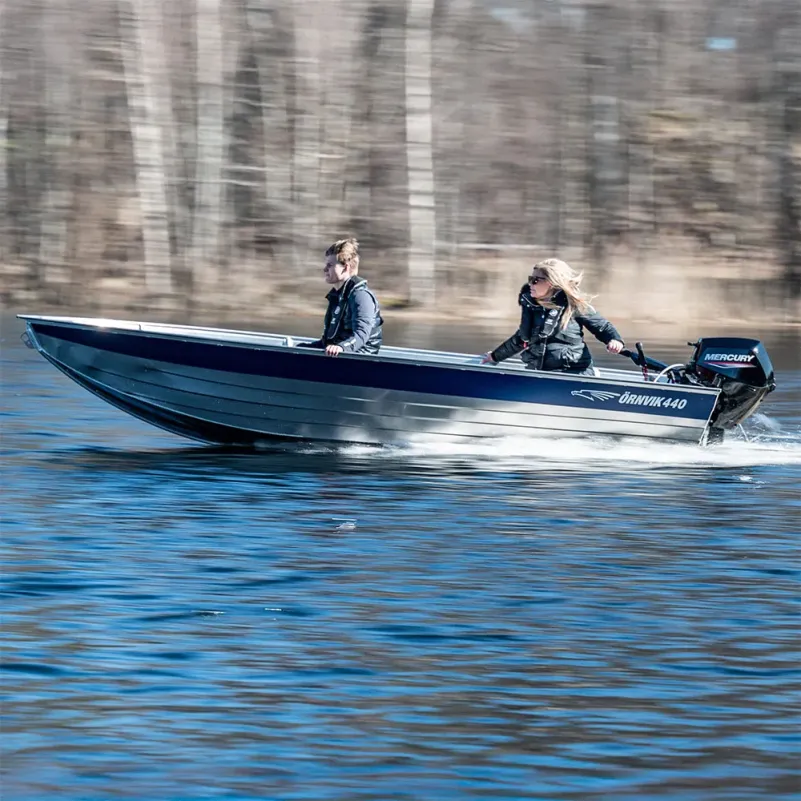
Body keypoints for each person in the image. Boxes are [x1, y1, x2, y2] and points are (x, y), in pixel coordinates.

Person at [480, 258, 624, 374]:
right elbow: (521, 340)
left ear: (551, 283)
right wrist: (495, 356)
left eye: (535, 280)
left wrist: (614, 340)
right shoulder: (532, 307)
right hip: (541, 373)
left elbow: (602, 327)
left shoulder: (574, 305)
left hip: (573, 373)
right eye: (530, 279)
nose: (530, 284)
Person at [297, 238, 383, 356]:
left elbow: (362, 334)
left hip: (359, 359)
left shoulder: (361, 296)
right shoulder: (337, 296)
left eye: (330, 265)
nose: (325, 269)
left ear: (346, 268)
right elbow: (327, 342)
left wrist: (341, 348)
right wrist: (299, 349)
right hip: (339, 355)